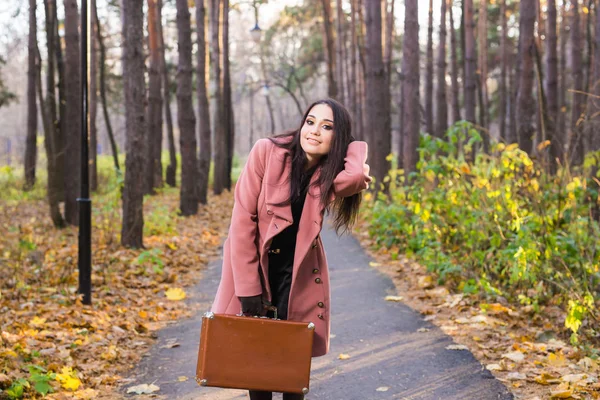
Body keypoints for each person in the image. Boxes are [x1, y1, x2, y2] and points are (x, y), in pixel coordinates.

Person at [210, 98, 371, 400]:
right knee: (257, 363)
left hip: (297, 276)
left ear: (338, 138)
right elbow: (242, 223)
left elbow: (358, 176)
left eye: (327, 127)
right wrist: (248, 289)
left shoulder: (328, 174)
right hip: (257, 269)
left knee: (292, 370)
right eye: (310, 122)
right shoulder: (267, 152)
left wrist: (351, 144)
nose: (314, 131)